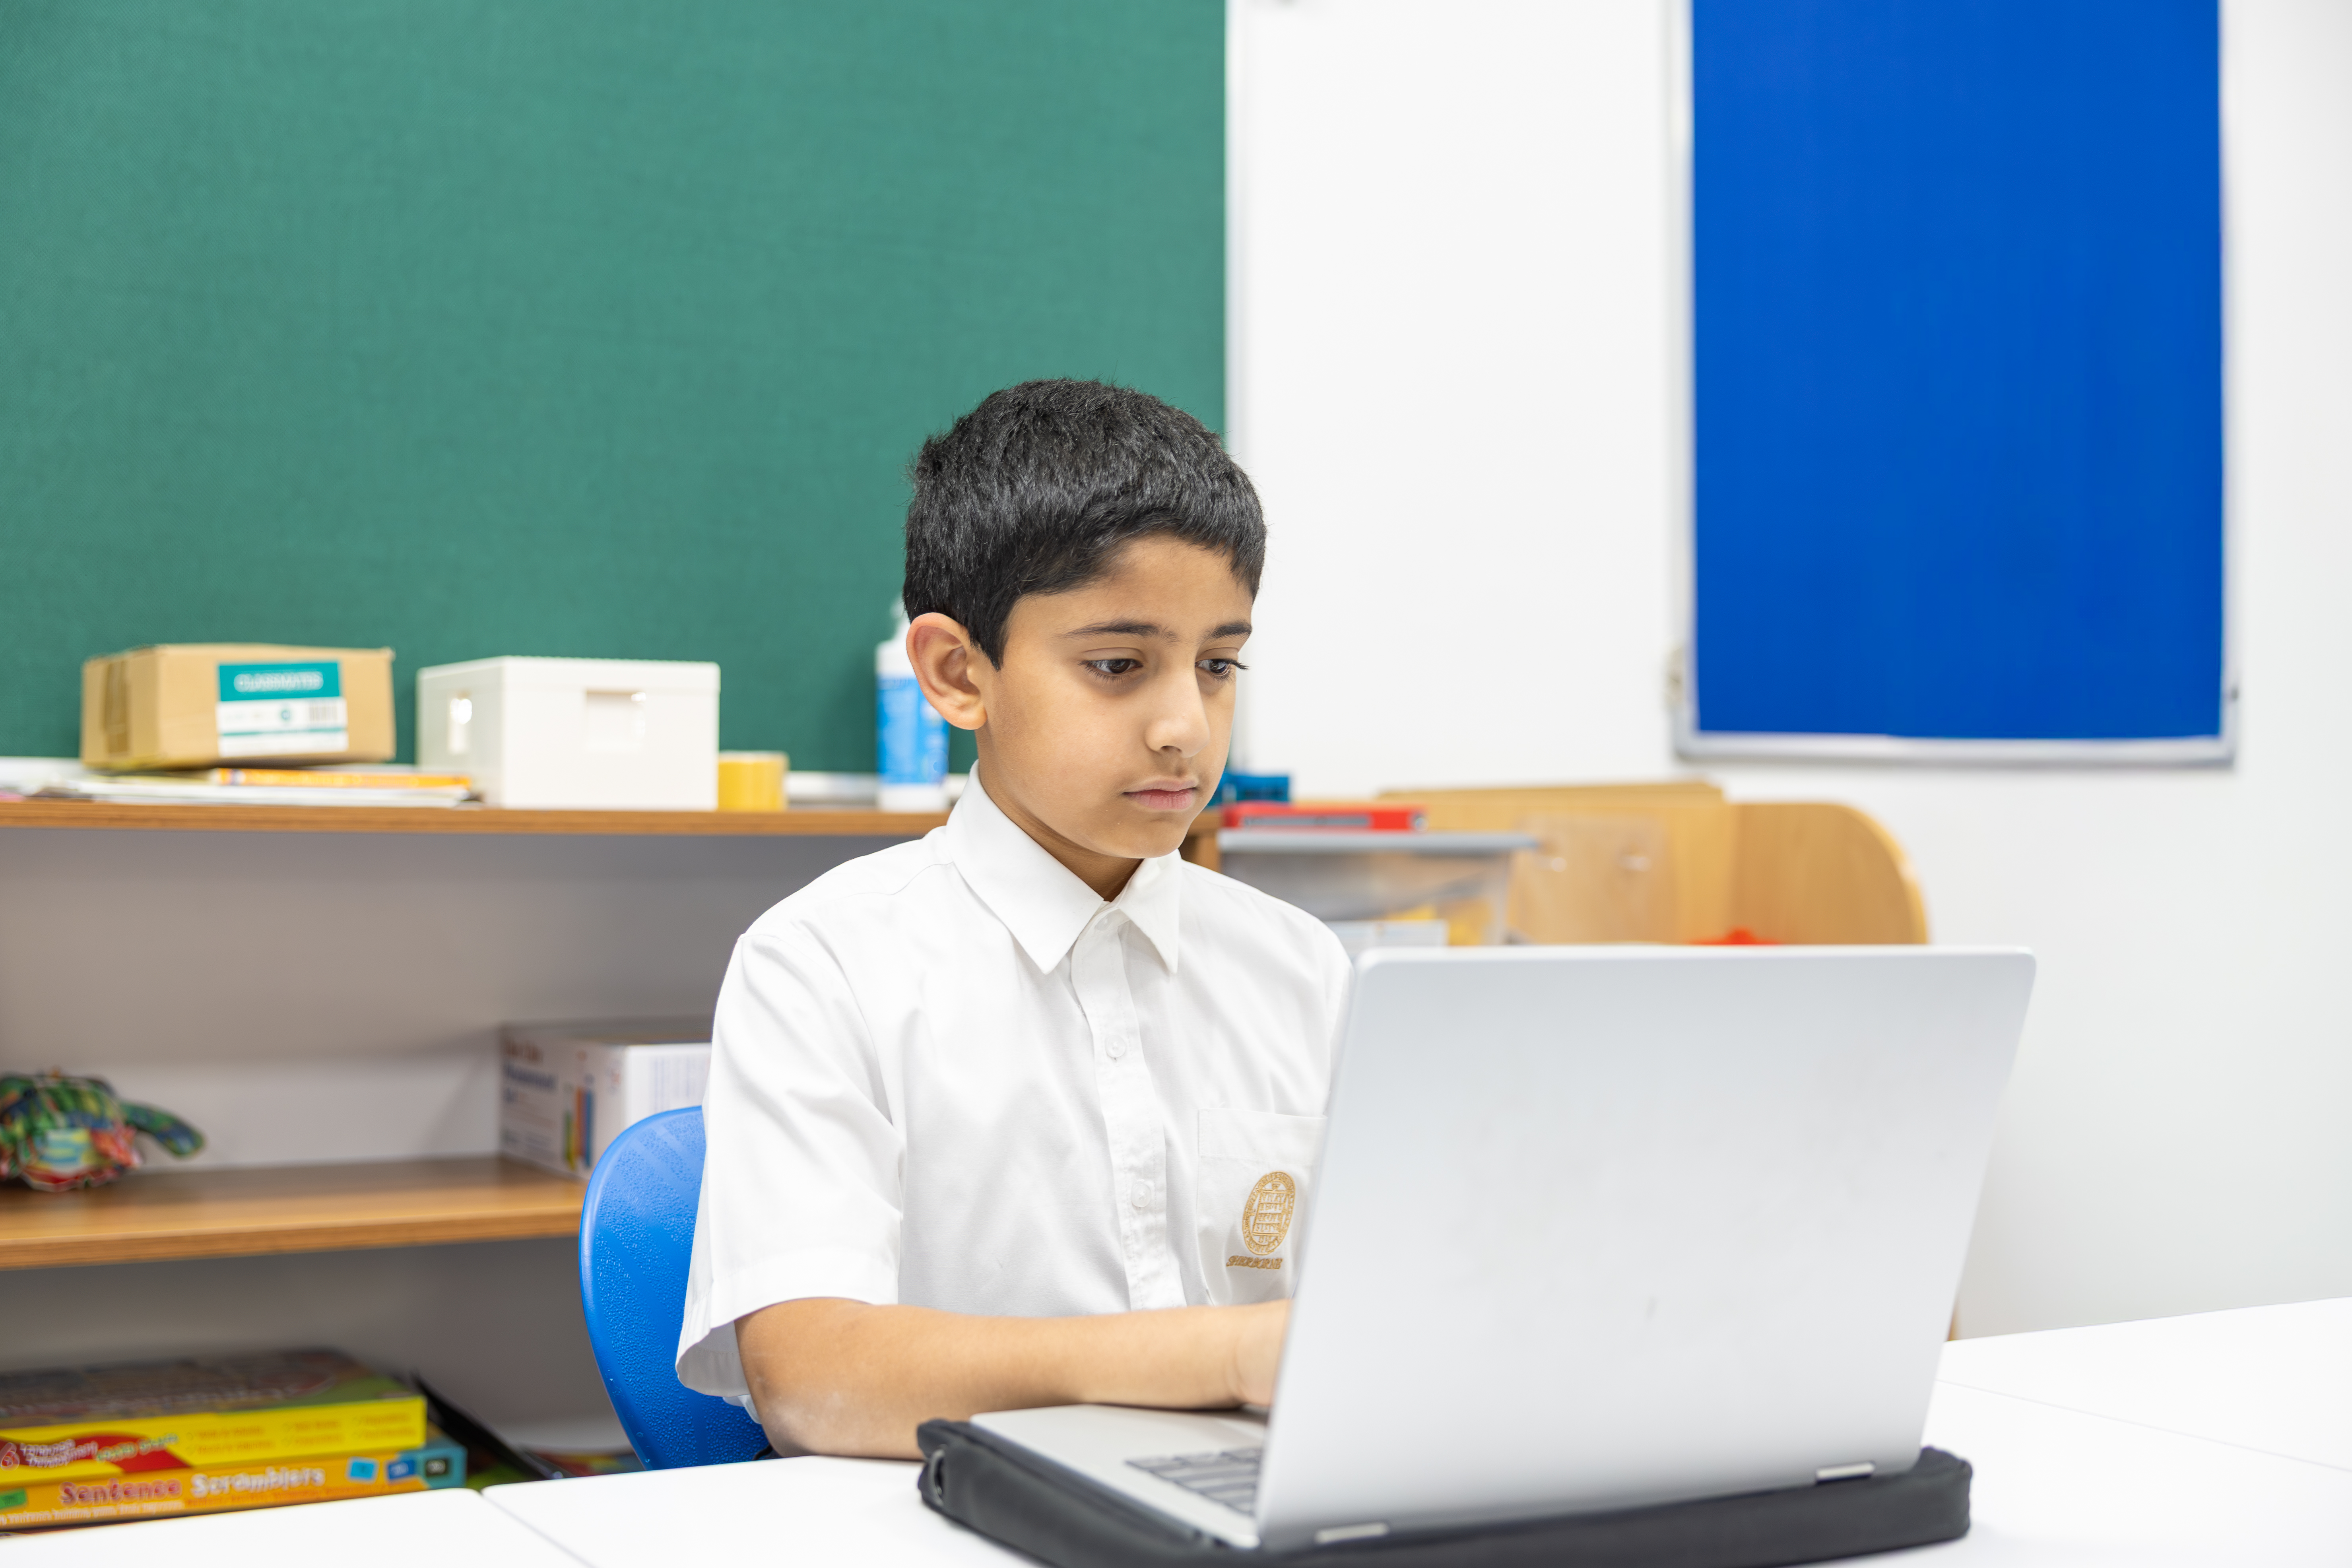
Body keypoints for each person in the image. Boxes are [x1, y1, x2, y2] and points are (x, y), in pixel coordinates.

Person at [677, 380, 1349, 1459]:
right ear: (957, 674)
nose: (1184, 726)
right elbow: (810, 1377)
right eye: (1118, 667)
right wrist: (1218, 1358)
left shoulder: (1298, 968)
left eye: (1218, 665)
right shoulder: (823, 963)